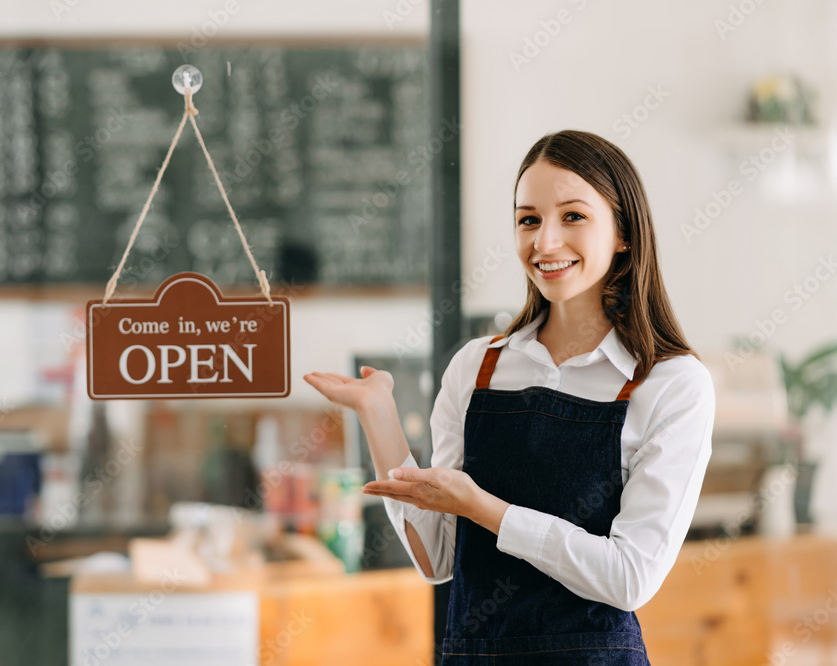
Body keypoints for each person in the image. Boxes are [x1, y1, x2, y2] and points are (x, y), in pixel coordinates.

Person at [303, 129, 715, 664]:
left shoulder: (671, 383)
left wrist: (486, 509)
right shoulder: (476, 366)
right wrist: (376, 411)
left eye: (573, 216)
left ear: (624, 233)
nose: (544, 243)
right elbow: (438, 560)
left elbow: (629, 577)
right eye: (528, 220)